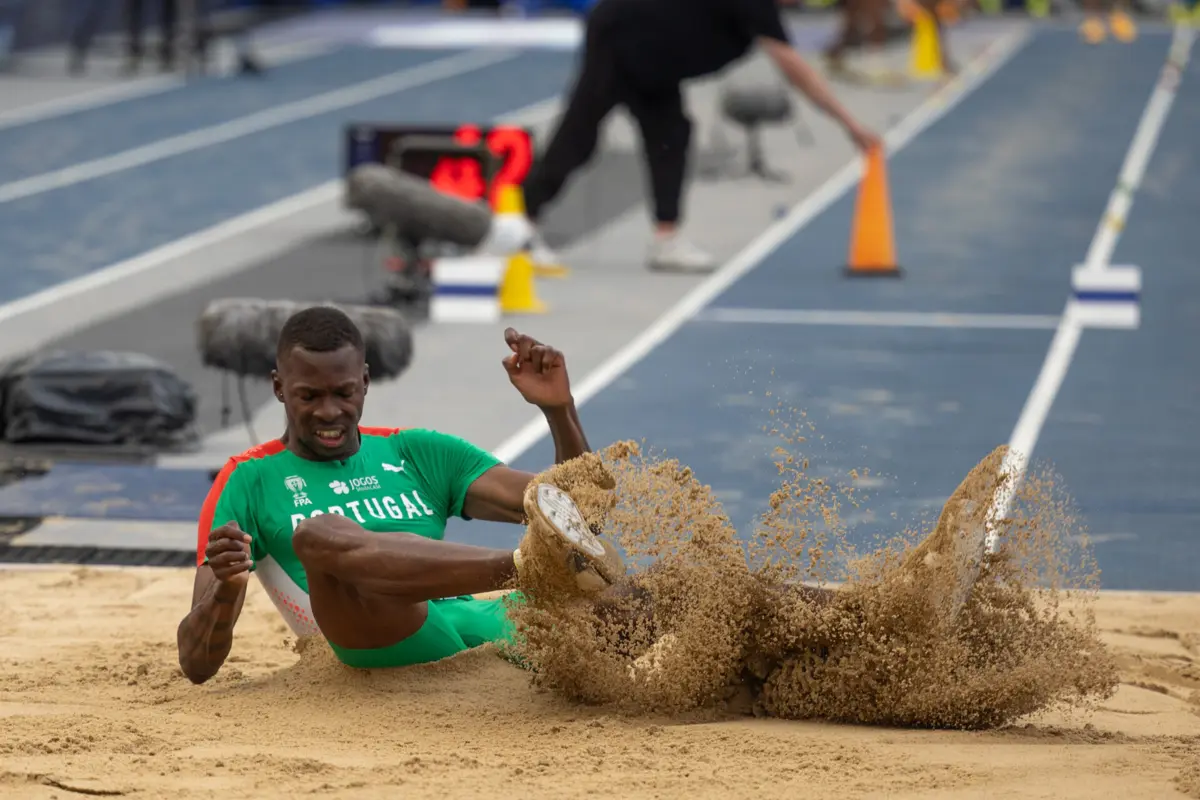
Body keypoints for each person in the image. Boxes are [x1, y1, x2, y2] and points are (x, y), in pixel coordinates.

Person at [176, 306, 623, 683]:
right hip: (375, 633)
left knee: (639, 600)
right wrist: (225, 590)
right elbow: (197, 665)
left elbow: (577, 519)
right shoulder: (248, 479)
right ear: (278, 389)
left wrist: (559, 410)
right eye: (308, 396)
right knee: (318, 535)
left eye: (344, 393)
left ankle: (541, 576)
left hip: (471, 621)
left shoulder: (417, 452)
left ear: (365, 381)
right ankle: (529, 568)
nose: (329, 411)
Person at [518, 0, 882, 274]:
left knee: (671, 137)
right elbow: (795, 69)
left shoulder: (762, 9)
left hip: (655, 58)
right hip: (619, 37)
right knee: (579, 136)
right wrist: (849, 124)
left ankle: (666, 239)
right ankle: (520, 226)